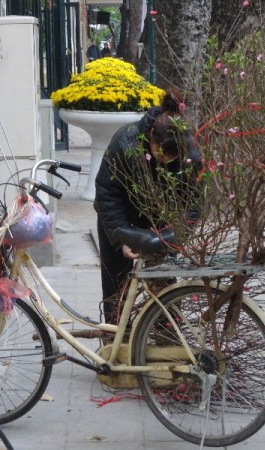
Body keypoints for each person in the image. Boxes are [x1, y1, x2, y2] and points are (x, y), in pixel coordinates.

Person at [93, 92, 202, 324]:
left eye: (170, 158)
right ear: (151, 134)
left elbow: (195, 202)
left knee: (164, 289)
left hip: (163, 225)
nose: (163, 161)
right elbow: (107, 194)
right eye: (160, 153)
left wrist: (174, 234)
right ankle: (117, 345)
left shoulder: (189, 153)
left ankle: (165, 344)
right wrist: (121, 238)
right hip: (121, 220)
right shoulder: (125, 142)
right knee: (116, 290)